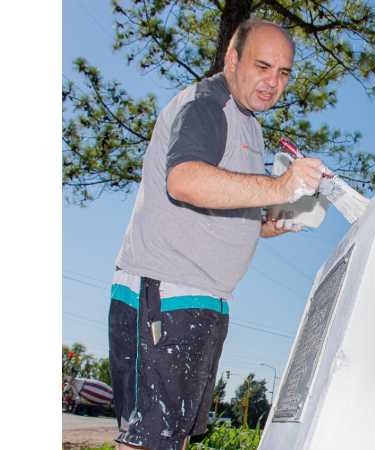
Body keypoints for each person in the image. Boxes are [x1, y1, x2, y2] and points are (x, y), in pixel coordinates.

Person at [108, 19, 327, 450]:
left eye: (283, 73)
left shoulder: (250, 125)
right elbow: (184, 180)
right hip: (164, 295)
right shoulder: (209, 104)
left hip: (202, 300)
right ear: (232, 58)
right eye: (262, 66)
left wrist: (262, 224)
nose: (272, 82)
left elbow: (215, 200)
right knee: (147, 441)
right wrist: (279, 187)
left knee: (176, 439)